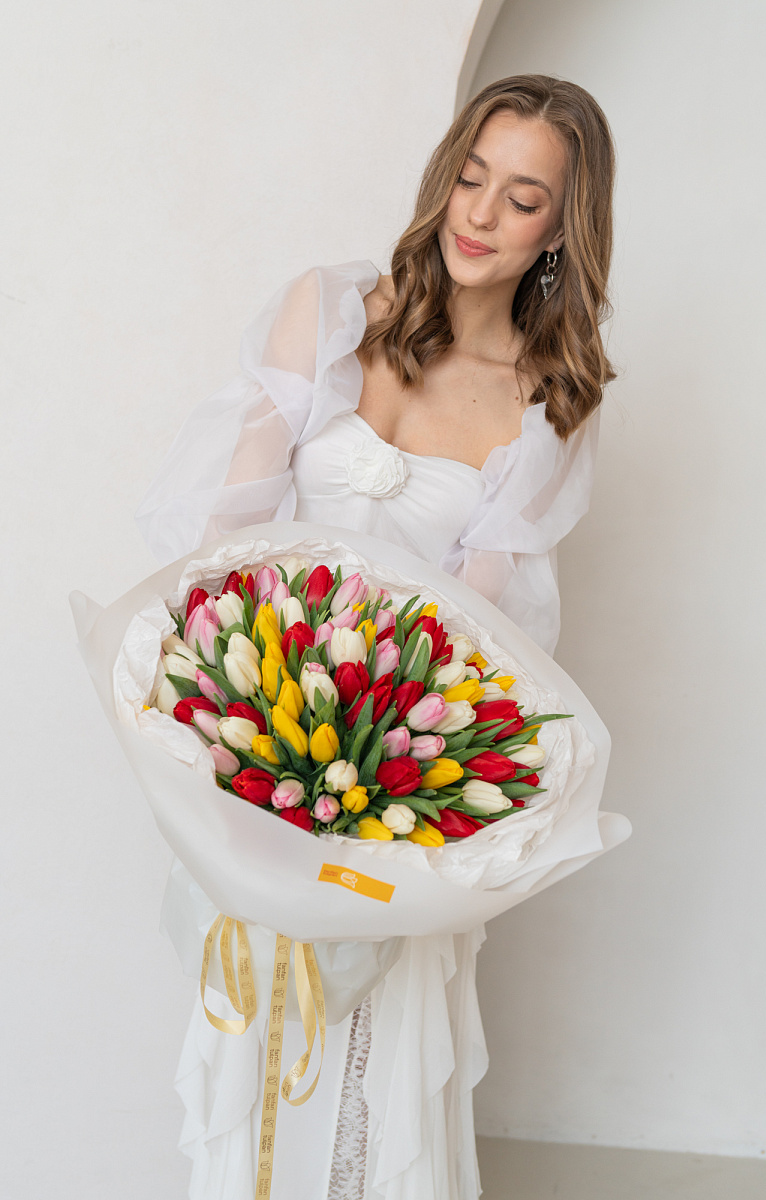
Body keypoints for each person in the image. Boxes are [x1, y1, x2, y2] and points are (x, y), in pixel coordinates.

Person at [136, 74, 616, 1200]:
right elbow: (227, 535)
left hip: (393, 782)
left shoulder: (543, 402)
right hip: (256, 738)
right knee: (250, 1038)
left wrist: (381, 790)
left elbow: (477, 639)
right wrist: (222, 722)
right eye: (469, 176)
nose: (479, 215)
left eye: (521, 198)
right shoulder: (329, 310)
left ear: (561, 229)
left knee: (368, 1060)